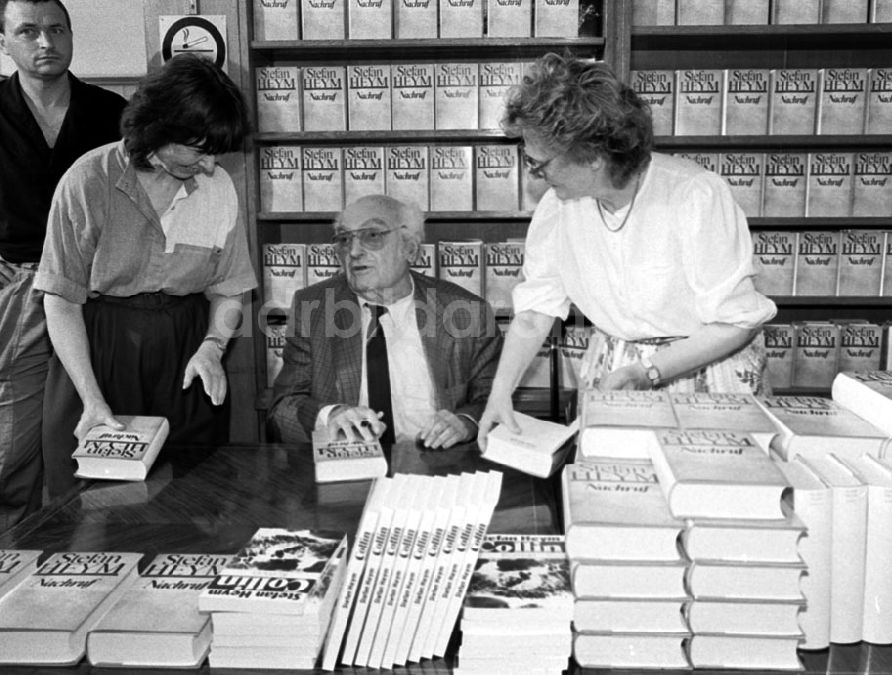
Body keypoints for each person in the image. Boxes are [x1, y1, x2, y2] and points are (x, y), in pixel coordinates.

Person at [478, 53, 777, 448]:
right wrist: (501, 392)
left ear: (594, 158)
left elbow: (738, 322)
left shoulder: (693, 195)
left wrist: (648, 372)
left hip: (705, 373)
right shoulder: (558, 207)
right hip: (617, 370)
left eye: (539, 163)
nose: (535, 174)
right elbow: (535, 313)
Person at [34, 54, 257, 498]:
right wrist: (92, 397)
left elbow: (230, 289)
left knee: (195, 496)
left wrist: (213, 348)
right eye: (198, 150)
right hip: (99, 347)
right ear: (158, 129)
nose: (211, 166)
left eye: (216, 153)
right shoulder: (87, 181)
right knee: (95, 497)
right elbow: (60, 300)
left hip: (185, 351)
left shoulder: (217, 189)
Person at [0, 0, 126, 528]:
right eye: (28, 31)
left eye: (56, 29)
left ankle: (95, 549)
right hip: (18, 286)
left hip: (98, 294)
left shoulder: (111, 111)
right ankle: (15, 554)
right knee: (15, 439)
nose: (45, 42)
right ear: (5, 42)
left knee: (101, 429)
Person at [268, 194, 501, 452]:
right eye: (345, 239)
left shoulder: (466, 312)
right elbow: (282, 409)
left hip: (439, 466)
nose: (354, 251)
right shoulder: (313, 307)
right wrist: (329, 416)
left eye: (372, 236)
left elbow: (494, 400)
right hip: (349, 471)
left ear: (409, 248)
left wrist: (466, 423)